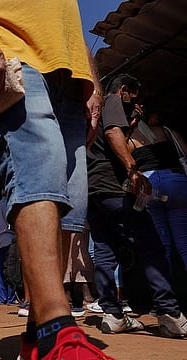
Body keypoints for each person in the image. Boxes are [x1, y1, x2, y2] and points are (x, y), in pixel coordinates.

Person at [0, 1, 112, 359]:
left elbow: (74, 32)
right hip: (15, 58)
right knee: (37, 171)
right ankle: (57, 329)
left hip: (72, 85)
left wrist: (95, 88)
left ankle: (35, 334)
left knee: (71, 202)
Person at [87, 73, 187, 338]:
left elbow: (106, 137)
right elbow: (111, 133)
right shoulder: (111, 99)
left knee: (105, 250)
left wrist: (130, 124)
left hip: (92, 188)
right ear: (124, 91)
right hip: (111, 185)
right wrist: (132, 169)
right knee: (151, 244)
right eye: (133, 96)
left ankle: (113, 314)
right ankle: (170, 314)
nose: (135, 101)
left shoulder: (92, 108)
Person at [127, 110, 187, 271]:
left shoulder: (130, 139)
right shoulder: (167, 131)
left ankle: (166, 291)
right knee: (184, 242)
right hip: (176, 182)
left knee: (162, 245)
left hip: (148, 187)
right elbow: (184, 153)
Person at [0, 193, 24, 308]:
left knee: (0, 271)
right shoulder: (10, 205)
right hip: (9, 240)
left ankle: (1, 297)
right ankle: (11, 297)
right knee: (12, 268)